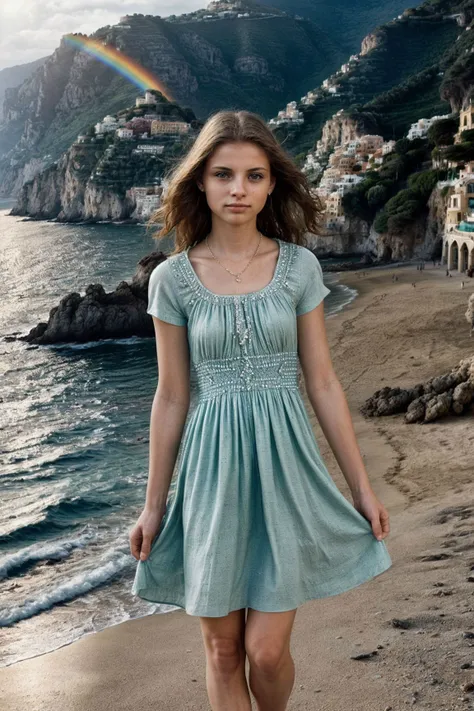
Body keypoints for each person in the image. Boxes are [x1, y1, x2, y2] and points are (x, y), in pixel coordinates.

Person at [129, 110, 392, 710]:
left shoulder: (300, 267)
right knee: (223, 652)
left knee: (267, 651)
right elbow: (171, 396)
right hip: (210, 476)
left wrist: (361, 487)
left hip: (285, 470)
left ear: (273, 183)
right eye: (223, 175)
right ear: (201, 182)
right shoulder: (172, 279)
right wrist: (153, 506)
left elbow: (322, 381)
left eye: (253, 175)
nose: (238, 189)